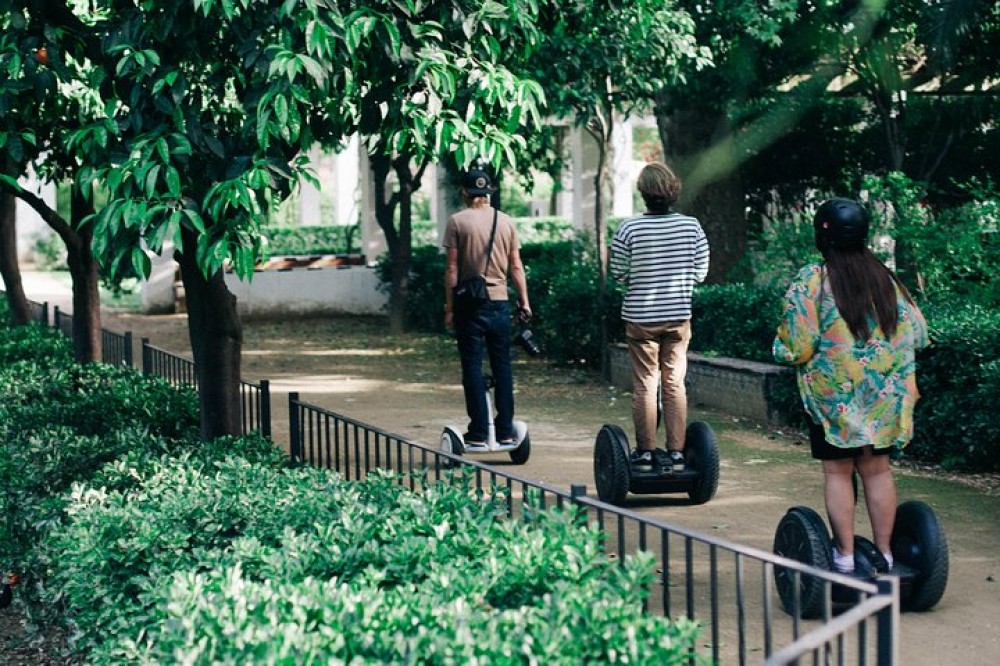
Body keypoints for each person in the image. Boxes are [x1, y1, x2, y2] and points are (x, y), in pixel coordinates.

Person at [772, 198, 930, 574]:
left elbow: (797, 346)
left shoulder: (813, 281)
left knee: (838, 471)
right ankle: (886, 555)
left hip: (834, 401)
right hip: (885, 397)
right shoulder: (886, 279)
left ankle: (843, 557)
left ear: (821, 235)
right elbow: (919, 334)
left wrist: (779, 348)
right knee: (877, 470)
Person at [610, 161, 710, 473]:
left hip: (640, 318)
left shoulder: (629, 229)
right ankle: (678, 453)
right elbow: (700, 274)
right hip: (678, 316)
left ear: (643, 193)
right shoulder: (691, 227)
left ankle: (645, 453)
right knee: (674, 383)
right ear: (672, 191)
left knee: (645, 384)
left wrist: (640, 278)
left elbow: (618, 273)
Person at [443, 168, 531, 447]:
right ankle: (505, 430)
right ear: (489, 192)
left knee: (471, 366)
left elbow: (452, 268)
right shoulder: (506, 222)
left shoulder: (457, 221)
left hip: (470, 305)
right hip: (500, 304)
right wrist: (524, 301)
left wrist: (449, 307)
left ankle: (479, 433)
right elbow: (516, 266)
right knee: (502, 366)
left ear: (465, 193)